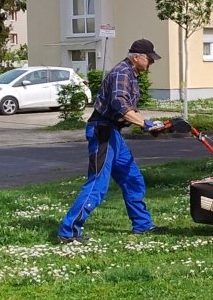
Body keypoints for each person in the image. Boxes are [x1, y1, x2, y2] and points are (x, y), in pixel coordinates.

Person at [58, 38, 166, 243]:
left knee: (132, 178)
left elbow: (129, 109)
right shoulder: (122, 73)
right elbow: (120, 104)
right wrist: (145, 125)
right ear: (136, 57)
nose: (151, 63)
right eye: (149, 59)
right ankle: (68, 231)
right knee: (98, 183)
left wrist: (150, 124)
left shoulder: (131, 74)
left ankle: (143, 225)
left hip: (113, 132)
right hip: (102, 132)